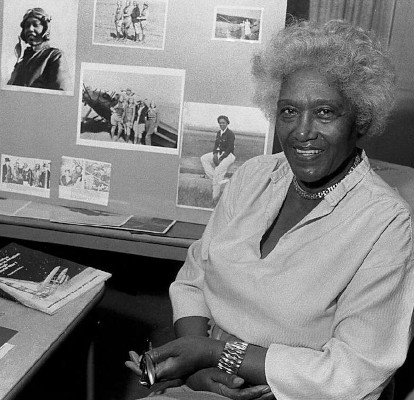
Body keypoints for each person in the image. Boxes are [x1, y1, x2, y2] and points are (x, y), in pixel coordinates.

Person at [126, 20, 414, 400]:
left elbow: (353, 373)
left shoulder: (387, 223)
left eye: (325, 112)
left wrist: (217, 355)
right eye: (289, 111)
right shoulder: (253, 176)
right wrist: (196, 365)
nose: (301, 132)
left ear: (359, 120)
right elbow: (195, 275)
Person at [7, 8, 69, 91]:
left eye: (35, 25)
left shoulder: (54, 56)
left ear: (45, 28)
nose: (30, 29)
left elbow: (61, 94)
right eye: (27, 26)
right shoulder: (21, 63)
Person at [200, 115, 236, 203]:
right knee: (204, 158)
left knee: (217, 172)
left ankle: (215, 198)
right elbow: (216, 145)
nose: (221, 124)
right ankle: (216, 180)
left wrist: (221, 158)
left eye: (223, 123)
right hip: (219, 154)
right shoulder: (218, 133)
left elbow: (230, 148)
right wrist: (215, 154)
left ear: (227, 123)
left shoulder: (230, 134)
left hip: (229, 155)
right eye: (220, 123)